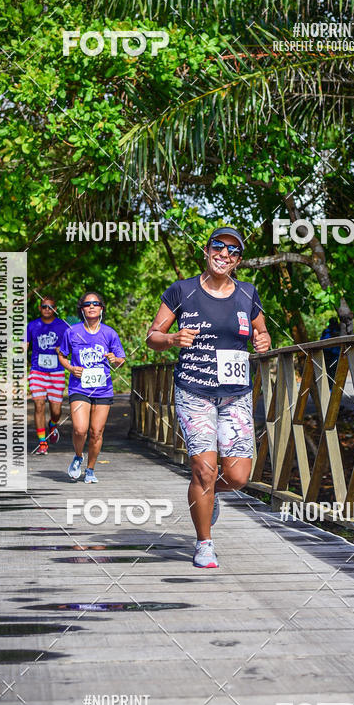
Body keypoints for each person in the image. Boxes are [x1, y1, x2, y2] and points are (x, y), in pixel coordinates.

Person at [146, 226, 271, 568]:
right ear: (206, 249)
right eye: (219, 246)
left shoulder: (247, 294)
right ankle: (204, 544)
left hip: (236, 396)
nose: (224, 254)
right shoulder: (183, 291)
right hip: (194, 391)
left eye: (232, 251)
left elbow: (261, 331)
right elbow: (152, 335)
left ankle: (210, 493)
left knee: (239, 477)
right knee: (203, 469)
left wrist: (264, 341)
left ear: (238, 261)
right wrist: (171, 340)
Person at [57, 291, 125, 483]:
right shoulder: (72, 331)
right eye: (88, 304)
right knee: (80, 429)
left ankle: (90, 470)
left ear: (102, 308)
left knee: (96, 431)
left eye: (96, 303)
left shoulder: (109, 333)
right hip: (79, 387)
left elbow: (121, 359)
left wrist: (115, 359)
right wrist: (70, 367)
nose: (92, 306)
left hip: (103, 388)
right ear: (82, 309)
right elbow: (61, 354)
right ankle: (78, 456)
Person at [25, 295, 69, 455]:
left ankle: (52, 423)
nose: (47, 309)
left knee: (56, 411)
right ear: (39, 308)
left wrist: (62, 351)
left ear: (55, 309)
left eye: (50, 307)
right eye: (44, 306)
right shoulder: (32, 325)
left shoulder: (62, 326)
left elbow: (70, 346)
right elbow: (25, 344)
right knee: (38, 405)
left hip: (57, 372)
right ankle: (42, 442)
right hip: (37, 370)